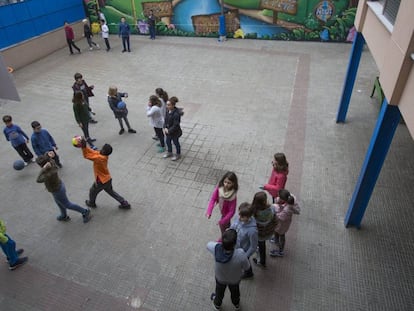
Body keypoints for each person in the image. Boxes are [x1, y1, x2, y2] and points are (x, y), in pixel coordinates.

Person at [36, 154, 91, 223]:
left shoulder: (48, 173)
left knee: (67, 204)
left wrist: (43, 169)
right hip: (58, 187)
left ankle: (85, 211)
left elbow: (38, 180)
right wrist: (48, 155)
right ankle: (63, 215)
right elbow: (50, 159)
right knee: (59, 203)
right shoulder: (52, 162)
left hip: (57, 190)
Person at [81, 139, 131, 210]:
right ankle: (124, 202)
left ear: (103, 151)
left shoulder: (99, 158)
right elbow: (93, 152)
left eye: (102, 148)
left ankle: (91, 203)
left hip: (101, 181)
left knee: (92, 191)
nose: (100, 149)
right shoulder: (103, 156)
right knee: (111, 192)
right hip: (107, 179)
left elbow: (86, 156)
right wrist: (85, 146)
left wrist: (83, 147)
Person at [207, 229, 250, 311]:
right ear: (235, 243)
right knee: (235, 293)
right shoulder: (240, 253)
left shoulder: (215, 249)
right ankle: (236, 305)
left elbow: (208, 244)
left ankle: (217, 305)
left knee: (219, 292)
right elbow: (247, 267)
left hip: (220, 278)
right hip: (235, 280)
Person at [206, 171, 238, 238]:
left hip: (225, 214)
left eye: (229, 183)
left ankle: (225, 237)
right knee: (225, 226)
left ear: (233, 183)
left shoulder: (233, 196)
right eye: (225, 182)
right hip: (222, 210)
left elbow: (232, 211)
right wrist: (209, 211)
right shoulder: (219, 188)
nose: (226, 184)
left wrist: (222, 221)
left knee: (224, 226)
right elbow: (213, 199)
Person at [230, 203, 258, 279]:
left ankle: (249, 273)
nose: (239, 217)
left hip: (244, 251)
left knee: (246, 263)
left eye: (242, 216)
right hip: (236, 246)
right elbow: (233, 225)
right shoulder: (239, 216)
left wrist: (245, 256)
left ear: (248, 217)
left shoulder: (252, 231)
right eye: (239, 214)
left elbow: (253, 246)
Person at [270, 189, 300, 257]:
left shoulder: (287, 210)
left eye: (279, 197)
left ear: (284, 200)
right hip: (282, 224)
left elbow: (280, 217)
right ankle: (275, 239)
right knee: (276, 231)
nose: (278, 197)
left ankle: (280, 251)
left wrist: (274, 212)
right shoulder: (290, 197)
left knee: (281, 235)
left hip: (282, 225)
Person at [251, 191, 277, 268]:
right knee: (262, 245)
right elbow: (275, 220)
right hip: (268, 232)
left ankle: (262, 261)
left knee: (261, 246)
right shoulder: (271, 208)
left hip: (259, 234)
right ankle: (262, 262)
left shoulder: (254, 212)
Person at [163, 97, 182, 161]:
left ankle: (178, 154)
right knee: (168, 142)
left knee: (176, 143)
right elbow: (165, 119)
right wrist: (165, 127)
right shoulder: (167, 110)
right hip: (168, 131)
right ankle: (169, 152)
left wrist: (169, 130)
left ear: (173, 105)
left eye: (168, 105)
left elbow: (176, 125)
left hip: (175, 133)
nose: (167, 106)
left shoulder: (176, 114)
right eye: (167, 104)